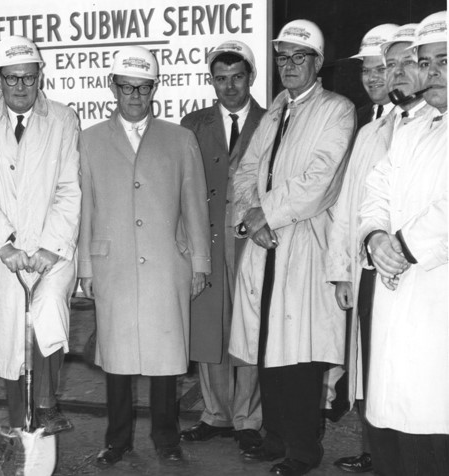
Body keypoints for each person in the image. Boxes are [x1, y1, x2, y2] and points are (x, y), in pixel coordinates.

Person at [230, 19, 355, 476]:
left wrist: (266, 214)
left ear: (318, 63)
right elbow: (245, 174)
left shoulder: (337, 110)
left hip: (302, 244)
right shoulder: (275, 110)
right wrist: (250, 218)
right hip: (266, 245)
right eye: (282, 57)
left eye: (299, 57)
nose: (289, 66)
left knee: (298, 358)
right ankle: (275, 437)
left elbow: (319, 180)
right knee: (267, 350)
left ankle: (303, 450)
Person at [78, 45, 211, 465]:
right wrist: (85, 266)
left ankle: (166, 440)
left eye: (143, 87)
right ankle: (117, 441)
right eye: (126, 87)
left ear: (155, 88)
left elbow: (194, 206)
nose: (135, 96)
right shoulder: (89, 140)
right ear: (112, 87)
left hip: (166, 264)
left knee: (165, 358)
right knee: (116, 361)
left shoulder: (180, 139)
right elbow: (84, 210)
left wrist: (201, 263)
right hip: (111, 264)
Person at [0, 36, 80, 436]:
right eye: (11, 79)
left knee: (47, 311)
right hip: (5, 255)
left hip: (52, 248)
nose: (20, 87)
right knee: (11, 339)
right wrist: (4, 245)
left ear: (39, 76)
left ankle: (46, 405)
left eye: (28, 79)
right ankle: (19, 424)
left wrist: (51, 246)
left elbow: (69, 188)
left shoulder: (63, 119)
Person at [329, 22, 431, 474]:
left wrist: (400, 247)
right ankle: (377, 450)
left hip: (419, 271)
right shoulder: (380, 127)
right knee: (377, 370)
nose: (384, 77)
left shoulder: (417, 121)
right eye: (379, 68)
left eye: (402, 64)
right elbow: (358, 203)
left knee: (415, 387)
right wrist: (356, 255)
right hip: (377, 264)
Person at [358, 11, 448, 476]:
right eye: (426, 62)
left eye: (444, 61)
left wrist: (402, 247)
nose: (432, 73)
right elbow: (376, 190)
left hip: (438, 304)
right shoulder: (413, 129)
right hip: (399, 299)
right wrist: (374, 236)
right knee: (397, 426)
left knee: (434, 428)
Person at [178, 40, 265, 453]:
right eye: (220, 79)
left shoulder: (270, 121)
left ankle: (249, 419)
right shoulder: (193, 124)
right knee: (208, 330)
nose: (229, 87)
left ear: (250, 77)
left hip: (250, 243)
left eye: (237, 78)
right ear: (211, 81)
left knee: (248, 331)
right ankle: (215, 414)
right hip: (208, 241)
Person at [322, 24, 399, 429]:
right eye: (367, 69)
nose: (371, 77)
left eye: (381, 68)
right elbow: (348, 203)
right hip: (361, 264)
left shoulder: (408, 125)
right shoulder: (365, 121)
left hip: (391, 263)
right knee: (367, 359)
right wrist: (340, 272)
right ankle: (374, 449)